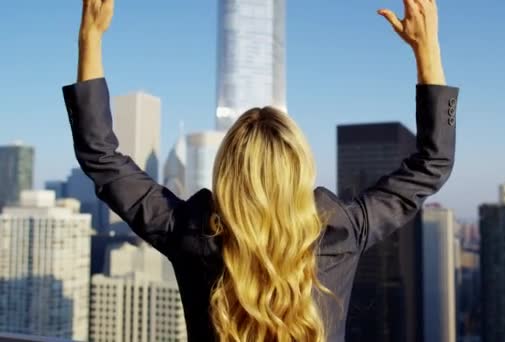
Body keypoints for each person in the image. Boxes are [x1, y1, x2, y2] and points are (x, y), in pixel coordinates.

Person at [63, 0, 459, 341]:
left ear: (227, 169)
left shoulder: (189, 232)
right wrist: (428, 51)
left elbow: (101, 157)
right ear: (300, 166)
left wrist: (90, 38)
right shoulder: (341, 232)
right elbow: (432, 164)